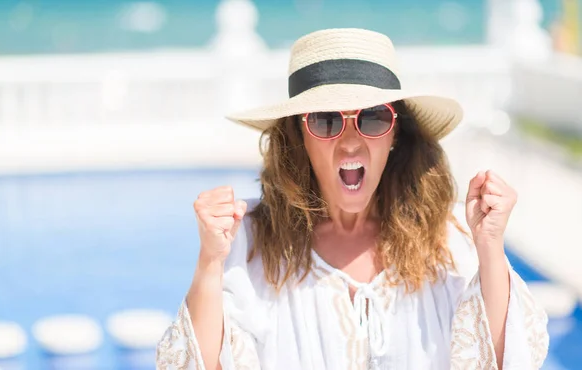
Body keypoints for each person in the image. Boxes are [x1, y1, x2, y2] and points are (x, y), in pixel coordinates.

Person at [156, 28, 549, 369]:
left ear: (396, 135)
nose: (349, 142)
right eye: (325, 120)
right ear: (299, 136)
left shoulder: (446, 240)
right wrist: (209, 261)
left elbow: (505, 359)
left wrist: (491, 248)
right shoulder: (252, 243)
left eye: (372, 118)